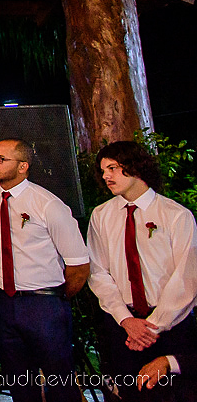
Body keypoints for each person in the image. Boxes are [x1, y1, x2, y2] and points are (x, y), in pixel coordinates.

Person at [87, 141, 197, 402]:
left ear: (135, 167)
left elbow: (187, 278)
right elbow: (97, 272)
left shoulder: (175, 215)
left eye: (113, 168)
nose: (106, 176)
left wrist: (152, 327)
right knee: (128, 395)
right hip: (123, 327)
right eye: (102, 171)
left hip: (171, 327)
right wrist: (126, 320)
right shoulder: (101, 216)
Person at [0, 138, 89, 402]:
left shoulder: (47, 204)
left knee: (60, 381)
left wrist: (55, 298)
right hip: (3, 303)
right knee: (19, 381)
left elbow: (79, 265)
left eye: (1, 159)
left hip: (43, 305)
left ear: (23, 166)